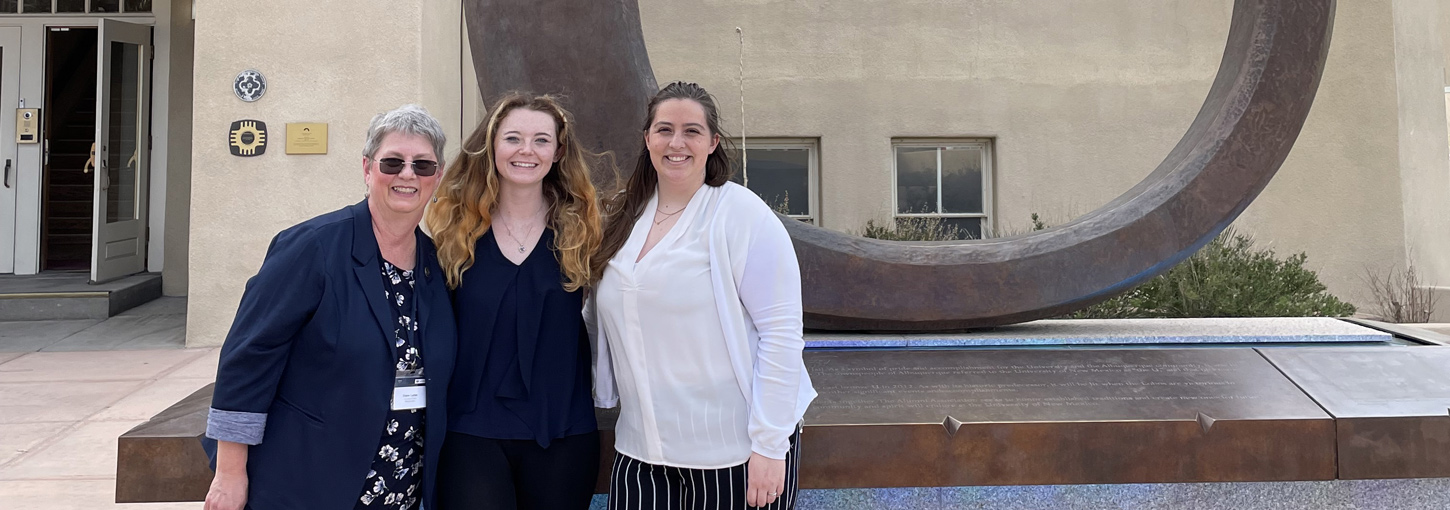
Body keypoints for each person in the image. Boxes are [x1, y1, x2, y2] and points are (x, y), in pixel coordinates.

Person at [202, 105, 457, 510]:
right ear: (367, 169)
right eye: (392, 162)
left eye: (423, 165)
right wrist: (230, 471)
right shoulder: (313, 248)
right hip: (309, 483)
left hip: (401, 489)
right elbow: (249, 357)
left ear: (437, 177)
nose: (408, 174)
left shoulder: (436, 265)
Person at [588, 81, 816, 509]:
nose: (677, 143)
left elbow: (782, 335)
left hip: (733, 457)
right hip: (641, 454)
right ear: (647, 139)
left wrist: (770, 446)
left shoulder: (740, 215)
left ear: (712, 142)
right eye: (665, 130)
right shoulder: (623, 217)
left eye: (691, 131)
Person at [426, 93, 603, 509]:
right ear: (491, 146)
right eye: (513, 138)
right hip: (471, 431)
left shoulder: (585, 234)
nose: (527, 150)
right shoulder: (454, 233)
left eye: (541, 140)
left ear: (558, 152)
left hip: (562, 431)